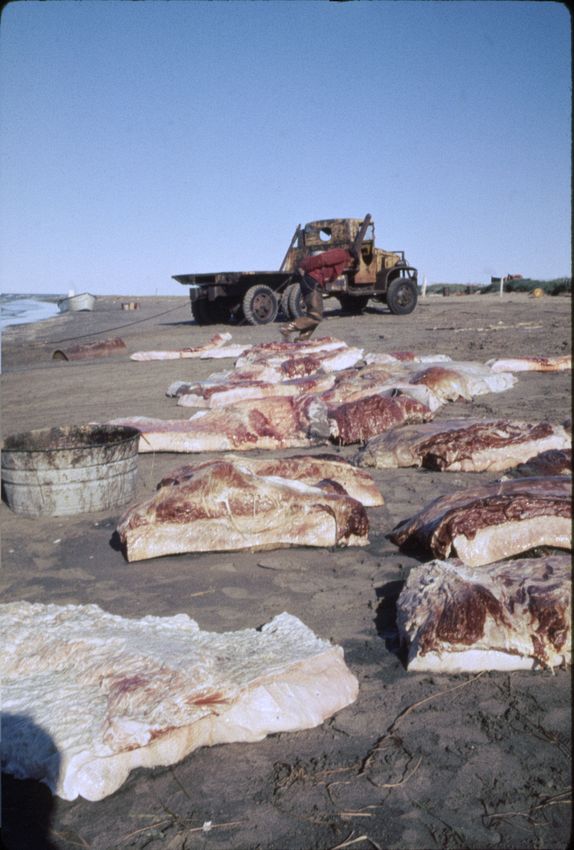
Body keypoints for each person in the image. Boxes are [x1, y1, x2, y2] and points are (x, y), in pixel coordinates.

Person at [280, 246, 358, 340]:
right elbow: (322, 259)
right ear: (352, 258)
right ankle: (287, 328)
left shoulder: (342, 258)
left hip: (313, 282)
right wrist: (304, 267)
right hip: (312, 281)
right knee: (315, 316)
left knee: (316, 316)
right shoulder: (342, 255)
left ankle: (302, 339)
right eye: (352, 264)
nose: (349, 266)